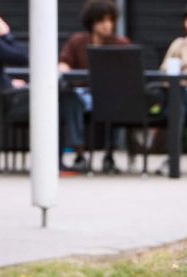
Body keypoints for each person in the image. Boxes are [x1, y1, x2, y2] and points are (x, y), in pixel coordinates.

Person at [58, 0, 130, 173]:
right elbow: (63, 63)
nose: (107, 25)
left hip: (109, 94)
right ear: (92, 22)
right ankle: (79, 154)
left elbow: (128, 71)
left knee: (117, 101)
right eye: (102, 21)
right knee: (69, 99)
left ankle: (109, 155)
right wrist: (64, 68)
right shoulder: (77, 41)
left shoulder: (121, 44)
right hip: (83, 94)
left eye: (110, 20)